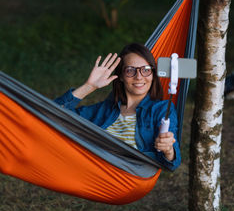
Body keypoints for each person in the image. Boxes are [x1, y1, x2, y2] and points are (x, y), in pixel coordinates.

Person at [54, 43, 181, 171]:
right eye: (130, 70)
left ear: (153, 74)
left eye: (146, 69)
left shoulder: (162, 110)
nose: (139, 76)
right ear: (120, 76)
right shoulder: (105, 110)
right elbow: (55, 115)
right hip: (93, 172)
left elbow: (172, 163)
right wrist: (89, 86)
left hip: (129, 179)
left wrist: (168, 150)